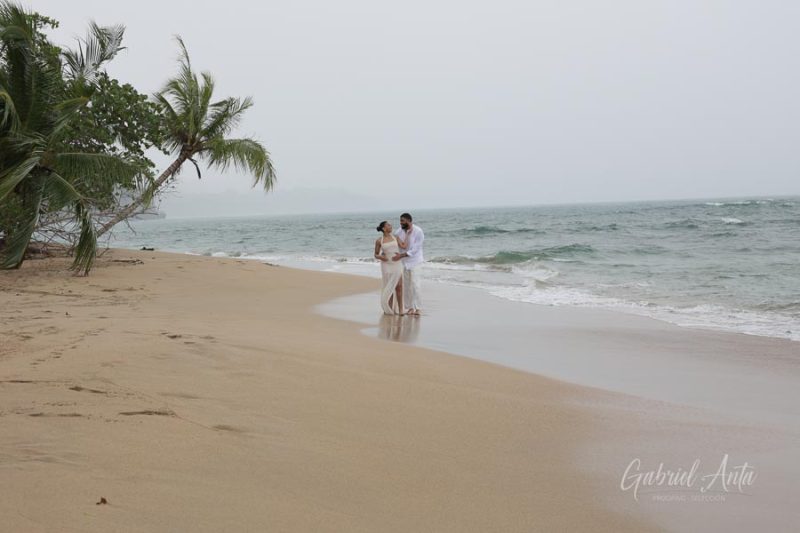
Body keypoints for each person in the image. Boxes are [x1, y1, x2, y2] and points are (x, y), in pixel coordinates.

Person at [392, 213, 424, 315]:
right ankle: (410, 308)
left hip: (415, 261)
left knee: (415, 284)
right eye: (400, 221)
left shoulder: (418, 231)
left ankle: (418, 308)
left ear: (409, 221)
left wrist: (400, 256)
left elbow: (415, 249)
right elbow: (397, 244)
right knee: (406, 286)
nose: (400, 223)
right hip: (404, 262)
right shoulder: (399, 231)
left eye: (402, 221)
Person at [374, 221, 405, 315]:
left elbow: (404, 246)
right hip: (386, 265)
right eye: (388, 225)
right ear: (384, 228)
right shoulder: (379, 241)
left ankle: (401, 309)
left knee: (399, 287)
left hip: (397, 264)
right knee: (389, 287)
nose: (391, 226)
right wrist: (381, 257)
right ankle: (389, 309)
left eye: (390, 225)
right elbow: (376, 254)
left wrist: (408, 234)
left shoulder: (395, 237)